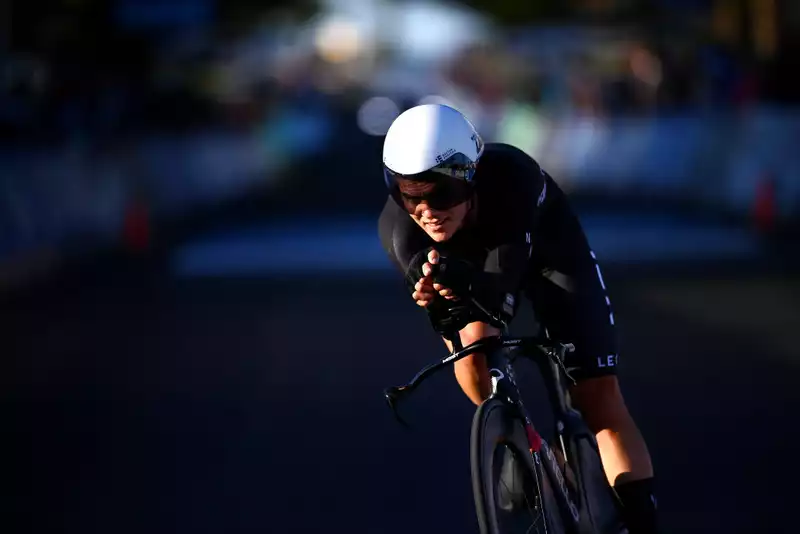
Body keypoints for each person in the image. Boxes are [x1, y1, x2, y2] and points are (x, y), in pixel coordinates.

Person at [377, 103, 660, 534]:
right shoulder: (397, 225)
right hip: (475, 266)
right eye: (409, 194)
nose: (427, 209)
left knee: (598, 398)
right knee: (472, 357)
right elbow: (448, 319)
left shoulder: (512, 176)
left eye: (441, 193)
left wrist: (467, 286)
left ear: (469, 175)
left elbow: (500, 293)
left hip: (547, 253)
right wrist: (435, 297)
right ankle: (518, 442)